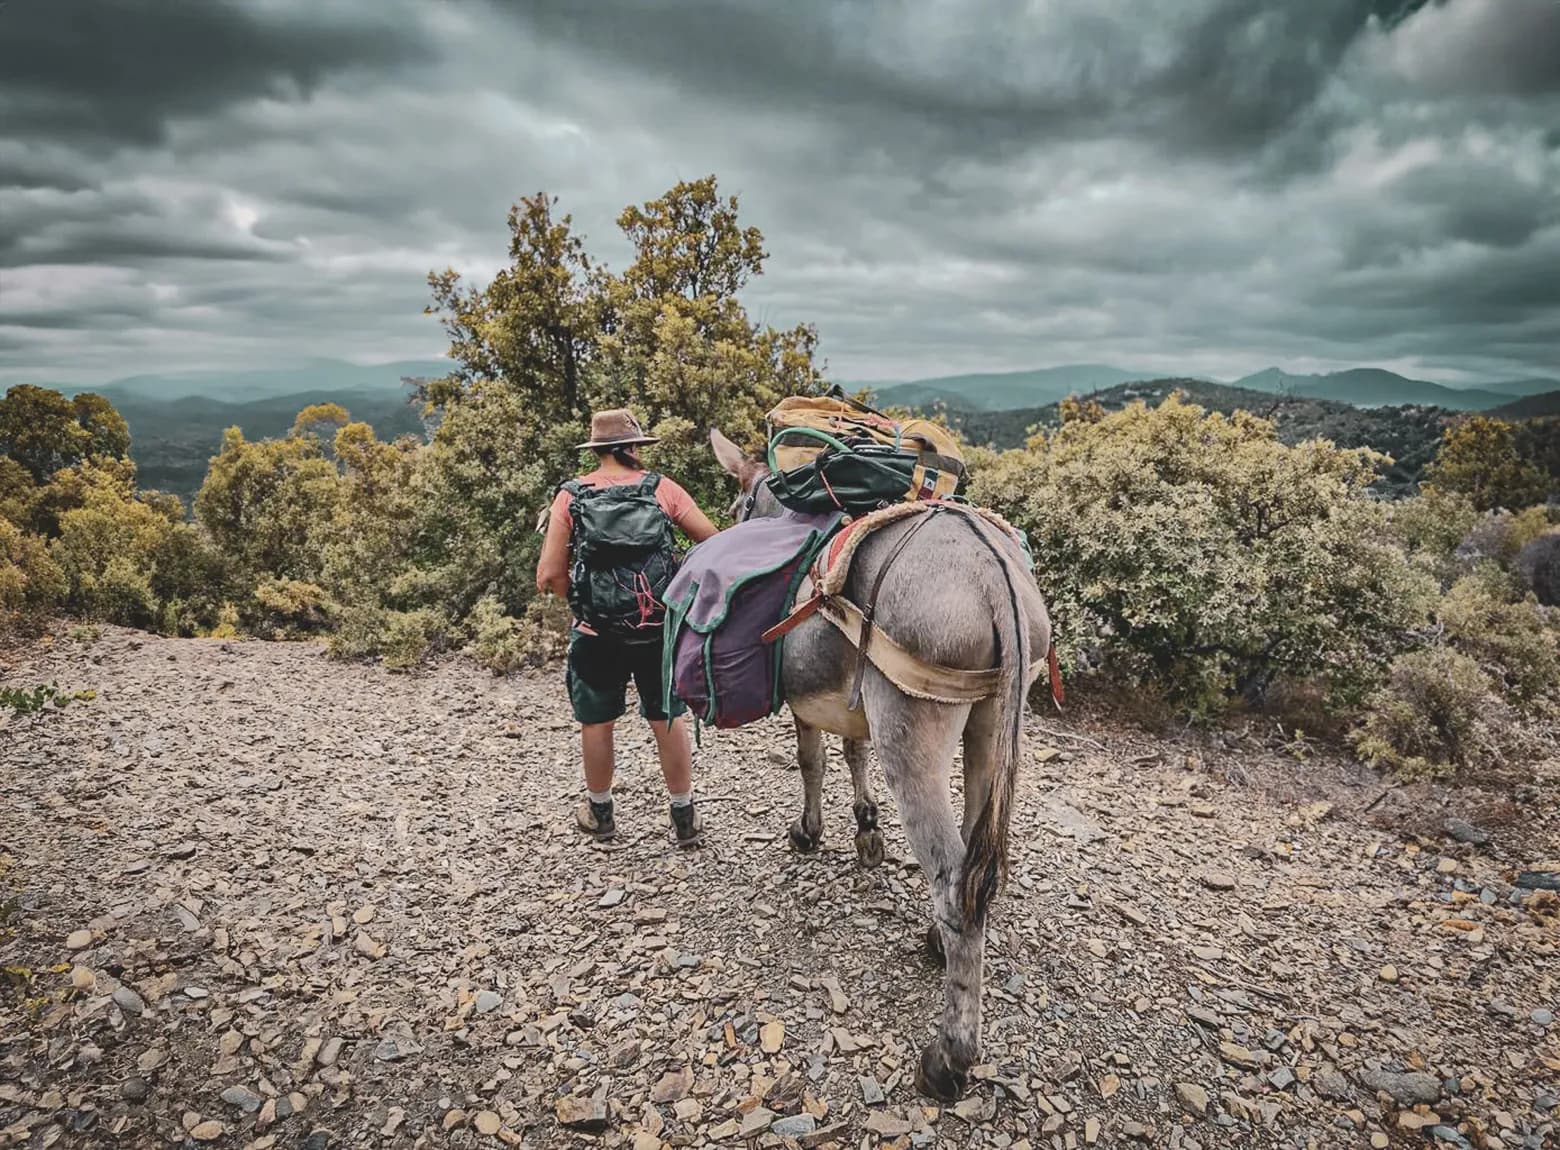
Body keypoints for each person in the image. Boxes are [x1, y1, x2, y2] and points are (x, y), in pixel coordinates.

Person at [536, 408, 720, 847]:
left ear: (597, 450)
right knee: (666, 717)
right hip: (657, 630)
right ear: (635, 448)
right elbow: (712, 543)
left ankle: (600, 814)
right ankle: (683, 818)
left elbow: (548, 574)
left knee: (597, 722)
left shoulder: (572, 496)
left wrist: (585, 603)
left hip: (596, 633)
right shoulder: (663, 490)